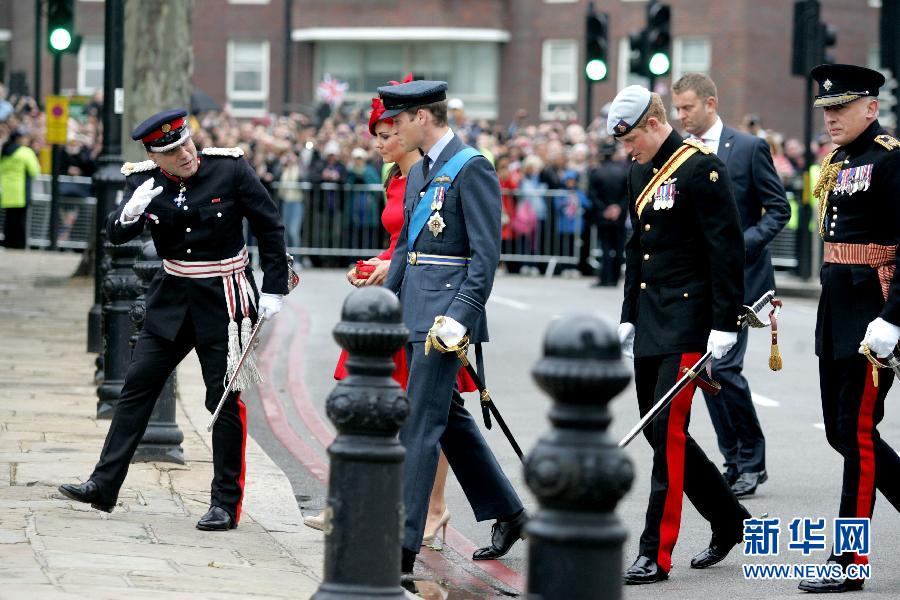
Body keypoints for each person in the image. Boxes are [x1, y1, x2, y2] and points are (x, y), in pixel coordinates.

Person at [57, 108, 289, 531]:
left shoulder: (229, 169)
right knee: (136, 386)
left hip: (224, 297)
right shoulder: (141, 179)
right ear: (153, 155)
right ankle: (103, 485)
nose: (184, 154)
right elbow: (116, 233)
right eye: (170, 151)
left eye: (185, 143)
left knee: (221, 401)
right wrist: (129, 213)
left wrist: (274, 287)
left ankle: (224, 503)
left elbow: (270, 226)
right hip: (171, 299)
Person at [303, 95, 478, 545]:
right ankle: (355, 501)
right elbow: (402, 245)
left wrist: (460, 315)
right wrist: (378, 268)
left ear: (410, 127)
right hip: (396, 300)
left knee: (429, 415)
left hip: (433, 306)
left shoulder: (455, 169)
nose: (381, 143)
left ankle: (427, 512)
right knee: (381, 403)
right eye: (378, 136)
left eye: (387, 133)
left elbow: (473, 255)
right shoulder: (399, 175)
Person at [378, 80, 527, 574]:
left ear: (423, 116)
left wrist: (459, 318)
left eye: (399, 118)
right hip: (415, 310)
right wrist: (384, 306)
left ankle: (401, 546)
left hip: (445, 316)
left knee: (419, 424)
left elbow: (485, 258)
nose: (393, 126)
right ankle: (510, 512)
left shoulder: (472, 167)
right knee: (451, 421)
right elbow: (406, 248)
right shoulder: (422, 168)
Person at [611, 85, 751, 584]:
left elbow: (726, 251)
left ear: (653, 123)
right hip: (652, 318)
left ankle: (656, 552)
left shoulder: (700, 168)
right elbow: (636, 248)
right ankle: (730, 519)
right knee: (655, 428)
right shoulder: (637, 172)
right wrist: (629, 312)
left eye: (631, 139)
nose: (627, 150)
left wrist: (724, 324)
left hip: (692, 320)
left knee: (667, 431)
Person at [799, 64, 900, 594]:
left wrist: (893, 318)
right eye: (827, 109)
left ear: (871, 108)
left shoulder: (891, 160)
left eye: (841, 108)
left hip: (871, 315)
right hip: (835, 310)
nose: (832, 118)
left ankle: (849, 560)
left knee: (857, 433)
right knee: (841, 431)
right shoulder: (839, 160)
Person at [671, 73, 790, 497]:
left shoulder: (748, 147)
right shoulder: (680, 154)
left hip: (742, 279)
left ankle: (750, 461)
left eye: (687, 108)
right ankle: (733, 458)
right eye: (677, 109)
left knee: (723, 366)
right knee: (704, 372)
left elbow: (779, 210)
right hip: (697, 281)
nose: (680, 116)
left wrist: (743, 246)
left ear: (710, 103)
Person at [587, 138, 628, 287]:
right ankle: (615, 278)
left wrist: (604, 209)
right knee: (618, 247)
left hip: (603, 215)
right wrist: (618, 208)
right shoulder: (624, 170)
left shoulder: (596, 171)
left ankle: (605, 278)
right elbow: (627, 193)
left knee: (605, 246)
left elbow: (592, 194)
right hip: (618, 215)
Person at [0, 111, 41, 249]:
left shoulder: (5, 152)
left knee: (9, 219)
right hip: (21, 191)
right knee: (20, 220)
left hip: (6, 190)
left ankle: (8, 243)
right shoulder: (25, 152)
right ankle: (19, 245)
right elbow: (35, 171)